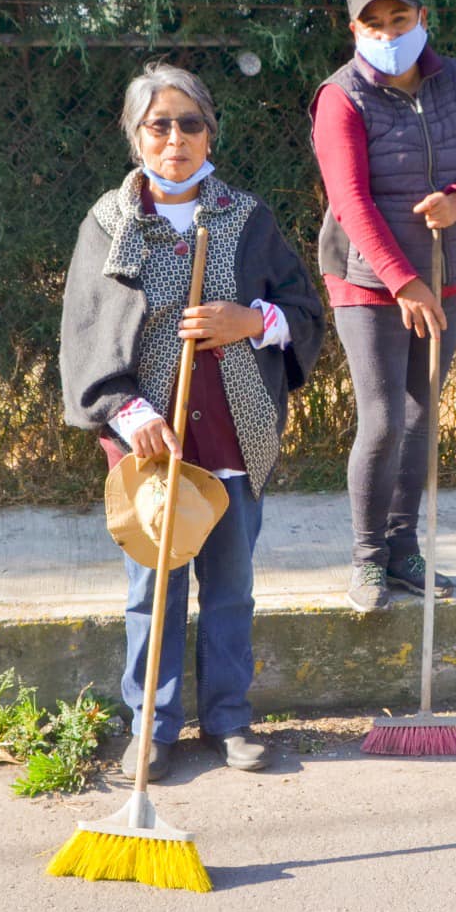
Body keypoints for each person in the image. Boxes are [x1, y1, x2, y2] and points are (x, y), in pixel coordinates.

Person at [60, 62, 324, 780]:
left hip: (234, 434)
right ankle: (152, 724)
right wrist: (127, 409)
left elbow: (304, 313)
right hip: (152, 445)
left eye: (189, 123)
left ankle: (231, 721)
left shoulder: (247, 219)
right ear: (135, 136)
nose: (174, 138)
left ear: (210, 133)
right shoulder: (109, 226)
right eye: (158, 125)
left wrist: (251, 320)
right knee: (156, 590)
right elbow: (85, 337)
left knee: (231, 587)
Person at [310, 0, 456, 613]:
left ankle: (404, 551)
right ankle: (367, 561)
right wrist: (403, 282)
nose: (389, 34)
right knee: (385, 419)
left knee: (422, 419)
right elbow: (350, 201)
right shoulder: (341, 97)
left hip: (448, 271)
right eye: (375, 24)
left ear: (425, 18)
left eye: (401, 20)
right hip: (368, 280)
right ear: (354, 30)